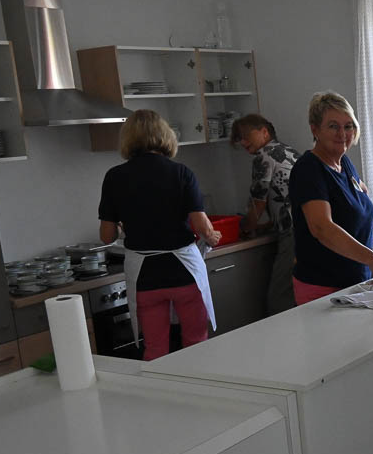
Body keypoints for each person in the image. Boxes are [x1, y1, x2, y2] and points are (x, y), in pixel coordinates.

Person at [98, 110, 221, 360]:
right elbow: (201, 225)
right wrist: (212, 236)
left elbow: (106, 236)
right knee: (196, 343)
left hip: (145, 278)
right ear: (165, 135)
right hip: (184, 273)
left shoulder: (114, 177)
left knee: (155, 349)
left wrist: (122, 225)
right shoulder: (181, 173)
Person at [287, 92, 373, 305]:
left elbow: (359, 199)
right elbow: (322, 228)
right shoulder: (309, 169)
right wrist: (371, 258)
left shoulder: (344, 164)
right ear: (315, 129)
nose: (342, 133)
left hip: (356, 282)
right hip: (323, 287)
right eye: (333, 126)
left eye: (348, 126)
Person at [233, 113, 298, 314]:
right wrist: (268, 225)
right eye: (239, 138)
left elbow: (258, 203)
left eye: (246, 136)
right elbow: (288, 197)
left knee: (279, 298)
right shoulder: (288, 151)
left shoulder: (264, 155)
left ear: (264, 131)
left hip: (293, 233)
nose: (243, 142)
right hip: (309, 228)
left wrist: (245, 227)